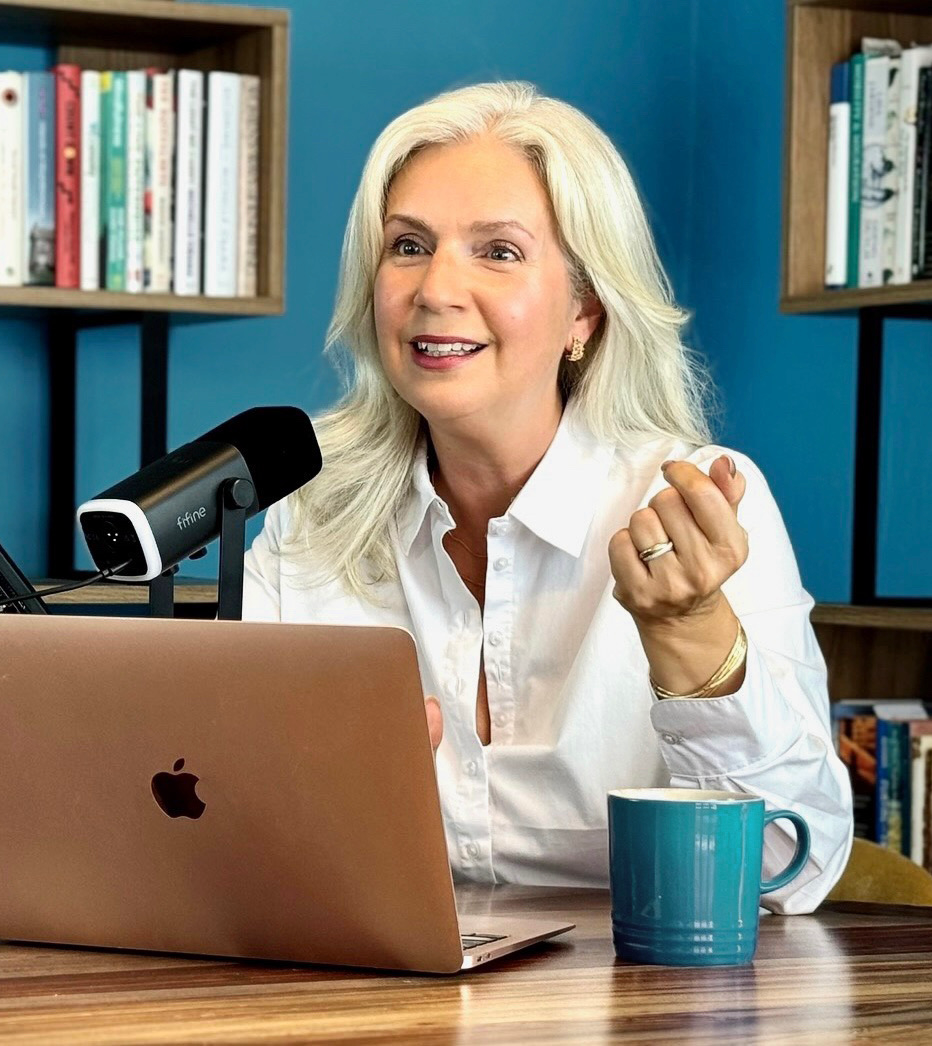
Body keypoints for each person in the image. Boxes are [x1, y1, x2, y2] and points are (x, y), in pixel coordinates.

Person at [242, 82, 852, 914]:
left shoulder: (691, 504)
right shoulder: (306, 515)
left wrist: (690, 638)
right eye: (407, 246)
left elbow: (793, 865)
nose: (433, 290)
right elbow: (234, 841)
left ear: (585, 312)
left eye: (498, 251)